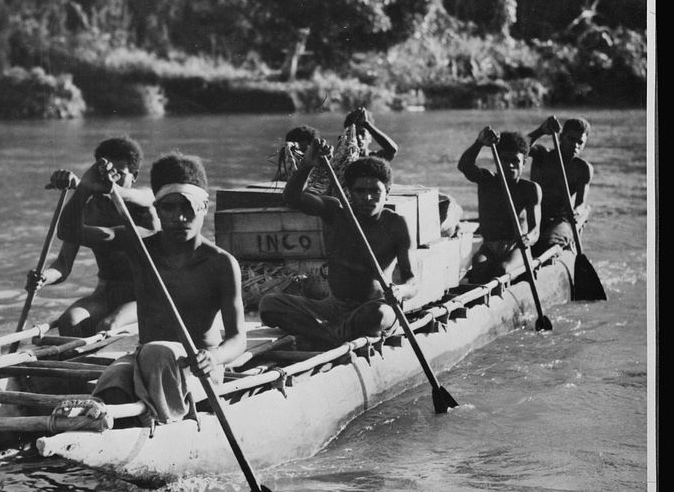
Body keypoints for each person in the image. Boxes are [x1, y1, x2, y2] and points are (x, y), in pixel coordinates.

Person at [58, 151, 246, 424]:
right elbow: (68, 231)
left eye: (188, 207)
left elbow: (238, 338)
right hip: (145, 360)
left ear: (204, 207)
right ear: (157, 210)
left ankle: (165, 423)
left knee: (157, 352)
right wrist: (85, 188)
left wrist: (214, 357)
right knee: (111, 383)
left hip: (198, 370)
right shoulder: (140, 247)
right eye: (169, 207)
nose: (180, 217)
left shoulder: (221, 264)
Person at [258, 139, 419, 350]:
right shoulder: (335, 212)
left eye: (375, 191)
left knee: (378, 315)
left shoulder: (396, 224)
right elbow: (292, 197)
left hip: (373, 307)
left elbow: (413, 281)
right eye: (359, 191)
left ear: (387, 192)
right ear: (349, 192)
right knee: (268, 304)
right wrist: (307, 164)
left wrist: (400, 292)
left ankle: (325, 335)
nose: (367, 197)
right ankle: (330, 337)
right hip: (334, 307)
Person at [28, 136, 159, 337]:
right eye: (107, 173)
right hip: (106, 294)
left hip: (145, 295)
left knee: (109, 326)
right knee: (68, 322)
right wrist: (44, 277)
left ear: (134, 176)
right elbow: (63, 264)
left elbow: (133, 195)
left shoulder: (145, 202)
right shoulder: (89, 210)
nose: (112, 179)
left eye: (119, 174)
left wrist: (89, 184)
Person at [457, 126, 542, 284]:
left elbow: (535, 230)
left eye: (515, 161)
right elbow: (464, 166)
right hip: (489, 247)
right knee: (480, 268)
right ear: (497, 161)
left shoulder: (530, 189)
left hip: (517, 248)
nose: (510, 165)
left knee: (502, 270)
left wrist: (528, 238)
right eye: (505, 160)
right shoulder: (486, 180)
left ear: (524, 163)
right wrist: (479, 142)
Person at [527, 115, 594, 255]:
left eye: (580, 142)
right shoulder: (541, 155)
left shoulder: (583, 168)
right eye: (571, 139)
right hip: (533, 214)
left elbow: (581, 203)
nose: (576, 145)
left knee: (547, 244)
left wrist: (577, 212)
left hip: (560, 219)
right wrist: (540, 131)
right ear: (560, 137)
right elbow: (519, 148)